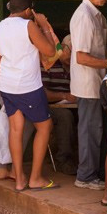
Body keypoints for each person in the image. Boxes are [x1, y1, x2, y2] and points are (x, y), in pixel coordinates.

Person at [0, 0, 59, 192]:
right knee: (45, 126)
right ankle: (36, 178)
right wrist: (44, 26)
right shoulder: (28, 25)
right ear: (29, 10)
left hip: (7, 86)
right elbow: (50, 51)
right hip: (28, 86)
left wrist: (5, 82)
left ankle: (19, 179)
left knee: (16, 129)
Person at [69, 0, 107, 192]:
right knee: (89, 131)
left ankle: (93, 172)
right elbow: (81, 57)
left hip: (97, 82)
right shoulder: (84, 16)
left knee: (97, 130)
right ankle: (85, 176)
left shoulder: (97, 15)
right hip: (87, 84)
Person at [41, 34, 78, 176]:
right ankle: (64, 160)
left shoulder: (76, 66)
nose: (71, 57)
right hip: (51, 107)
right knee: (65, 116)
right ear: (62, 48)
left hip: (74, 104)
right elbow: (43, 93)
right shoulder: (48, 64)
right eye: (70, 52)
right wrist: (64, 96)